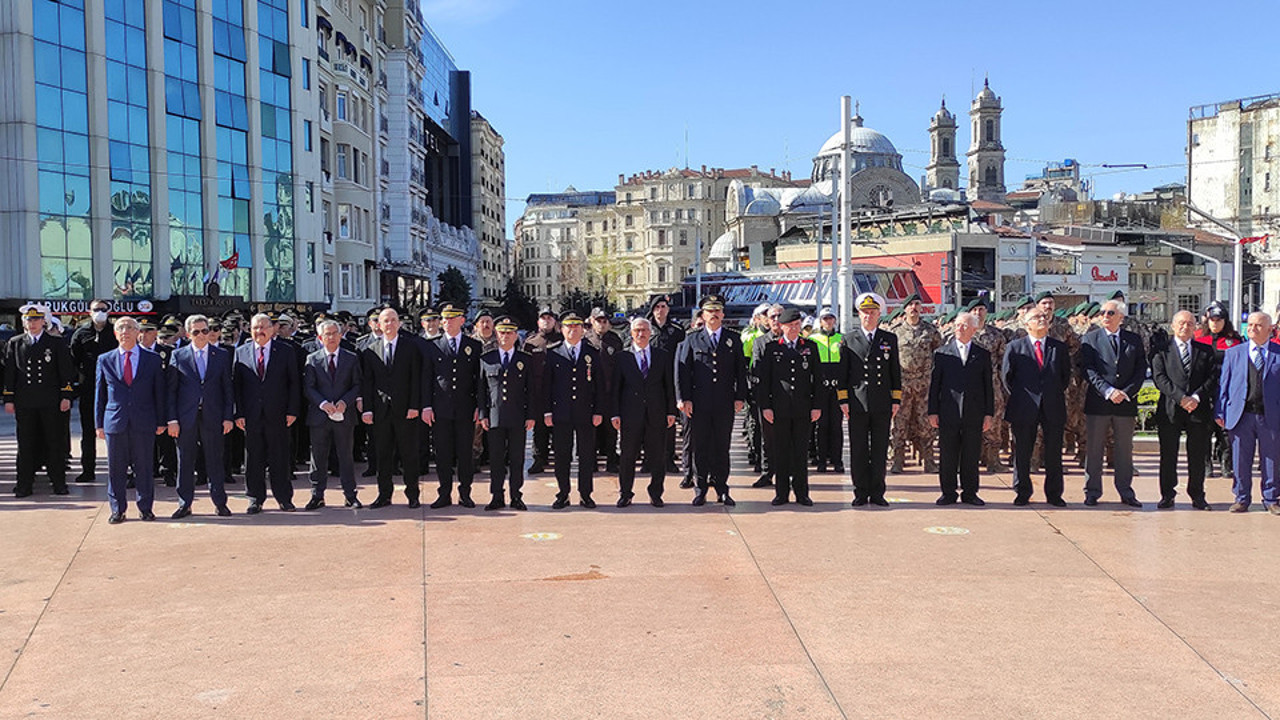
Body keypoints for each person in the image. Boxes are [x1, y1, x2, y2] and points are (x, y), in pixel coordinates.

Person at [676, 295, 748, 507]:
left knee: (721, 447)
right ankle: (700, 489)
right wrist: (684, 398)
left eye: (717, 311)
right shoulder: (692, 339)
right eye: (710, 311)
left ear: (723, 314)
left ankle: (722, 489)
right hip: (699, 403)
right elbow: (682, 371)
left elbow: (740, 371)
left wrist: (740, 396)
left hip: (724, 402)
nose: (714, 315)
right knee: (701, 447)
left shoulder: (732, 338)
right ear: (703, 315)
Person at [95, 317, 166, 523]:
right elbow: (100, 394)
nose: (125, 331)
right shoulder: (105, 359)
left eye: (129, 328)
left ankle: (145, 508)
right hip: (115, 421)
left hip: (143, 420)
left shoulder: (151, 359)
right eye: (120, 328)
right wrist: (98, 423)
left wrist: (161, 421)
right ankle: (117, 509)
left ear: (138, 333)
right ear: (116, 334)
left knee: (144, 467)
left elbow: (158, 393)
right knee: (116, 469)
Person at [1079, 300, 1146, 507]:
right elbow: (1088, 369)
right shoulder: (1090, 339)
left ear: (1121, 317)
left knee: (1124, 450)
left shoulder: (1133, 340)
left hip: (1125, 404)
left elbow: (1140, 370)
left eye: (1110, 313)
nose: (1105, 316)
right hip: (1099, 402)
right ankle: (1092, 491)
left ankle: (1126, 491)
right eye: (1102, 313)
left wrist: (1125, 393)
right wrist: (1108, 391)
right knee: (1095, 449)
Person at [167, 314, 235, 518]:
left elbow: (227, 389)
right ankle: (184, 503)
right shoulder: (178, 356)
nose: (202, 335)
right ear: (188, 334)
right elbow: (171, 391)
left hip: (213, 416)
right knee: (185, 461)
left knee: (215, 460)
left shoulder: (221, 355)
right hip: (185, 417)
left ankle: (220, 502)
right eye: (196, 332)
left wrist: (228, 416)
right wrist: (172, 420)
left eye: (205, 331)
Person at [1002, 308, 1071, 506]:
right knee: (1023, 452)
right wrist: (1024, 396)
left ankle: (1054, 493)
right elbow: (1007, 378)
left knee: (1054, 453)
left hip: (1053, 406)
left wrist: (1050, 393)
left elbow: (1065, 377)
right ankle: (1022, 492)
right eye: (1036, 317)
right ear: (1026, 324)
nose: (1042, 319)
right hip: (1024, 406)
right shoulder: (1015, 347)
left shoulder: (1059, 347)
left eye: (1044, 317)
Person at [5, 304, 76, 497]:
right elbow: (10, 373)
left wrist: (66, 395)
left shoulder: (56, 343)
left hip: (50, 401)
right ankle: (24, 485)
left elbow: (66, 372)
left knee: (54, 443)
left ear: (43, 321)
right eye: (29, 320)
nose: (32, 323)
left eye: (36, 319)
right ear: (24, 322)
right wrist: (8, 398)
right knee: (26, 444)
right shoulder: (15, 342)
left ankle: (59, 483)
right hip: (25, 402)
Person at [233, 313, 300, 514]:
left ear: (272, 329)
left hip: (278, 414)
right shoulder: (241, 352)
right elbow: (236, 386)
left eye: (263, 327)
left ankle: (284, 498)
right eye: (255, 328)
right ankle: (255, 499)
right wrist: (239, 414)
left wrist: (292, 410)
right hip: (251, 416)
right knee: (253, 459)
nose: (259, 331)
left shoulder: (286, 351)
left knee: (279, 457)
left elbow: (293, 383)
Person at [757, 307, 824, 506]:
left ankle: (802, 493)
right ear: (782, 327)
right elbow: (764, 381)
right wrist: (766, 406)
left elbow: (818, 379)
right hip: (779, 408)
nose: (794, 329)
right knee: (781, 452)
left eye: (797, 325)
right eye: (790, 326)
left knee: (800, 452)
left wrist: (817, 406)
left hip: (803, 408)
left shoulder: (809, 347)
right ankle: (781, 493)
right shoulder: (772, 348)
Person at [1151, 311, 1216, 510]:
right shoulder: (1160, 350)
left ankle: (1197, 494)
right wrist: (1181, 398)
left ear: (1195, 327)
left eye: (1189, 323)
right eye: (1180, 323)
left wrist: (1195, 397)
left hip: (1198, 409)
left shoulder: (1205, 351)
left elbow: (1212, 378)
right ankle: (1167, 494)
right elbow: (1159, 378)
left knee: (1197, 454)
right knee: (1168, 454)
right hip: (1171, 409)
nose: (1184, 327)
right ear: (1172, 326)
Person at [840, 292, 900, 507]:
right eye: (865, 312)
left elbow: (894, 371)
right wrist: (843, 401)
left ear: (879, 314)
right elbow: (843, 374)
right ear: (859, 314)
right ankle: (860, 491)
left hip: (882, 402)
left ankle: (877, 491)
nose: (868, 316)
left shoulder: (889, 339)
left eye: (873, 312)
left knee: (879, 448)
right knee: (859, 449)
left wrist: (896, 400)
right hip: (857, 402)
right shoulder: (848, 339)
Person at [927, 311, 994, 506]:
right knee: (948, 454)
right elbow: (935, 386)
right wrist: (933, 411)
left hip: (974, 411)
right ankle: (948, 492)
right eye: (957, 325)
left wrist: (988, 413)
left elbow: (987, 386)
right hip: (948, 411)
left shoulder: (982, 354)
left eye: (964, 325)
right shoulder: (942, 353)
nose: (959, 328)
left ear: (974, 329)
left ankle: (970, 492)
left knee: (971, 454)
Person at [1216, 312, 1280, 514]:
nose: (1252, 328)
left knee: (1271, 459)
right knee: (1241, 459)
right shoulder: (1234, 353)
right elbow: (1223, 386)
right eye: (1250, 324)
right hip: (1241, 415)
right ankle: (1241, 498)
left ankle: (1271, 498)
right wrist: (1220, 411)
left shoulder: (1278, 353)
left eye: (1258, 325)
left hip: (1270, 415)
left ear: (1270, 329)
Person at [421, 303, 483, 509]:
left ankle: (465, 493)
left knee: (465, 453)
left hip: (465, 408)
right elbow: (427, 379)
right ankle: (444, 493)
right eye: (444, 319)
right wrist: (426, 406)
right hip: (441, 409)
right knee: (443, 453)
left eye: (452, 318)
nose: (446, 322)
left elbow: (479, 380)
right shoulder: (433, 345)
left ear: (462, 320)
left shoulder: (473, 346)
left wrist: (479, 406)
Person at [611, 317, 676, 508]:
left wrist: (671, 411)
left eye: (644, 330)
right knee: (627, 456)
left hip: (656, 414)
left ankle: (656, 493)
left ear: (650, 333)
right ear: (631, 333)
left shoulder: (662, 356)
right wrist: (615, 413)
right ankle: (625, 493)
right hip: (630, 415)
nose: (641, 334)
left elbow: (669, 386)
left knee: (657, 456)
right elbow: (616, 388)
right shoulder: (622, 357)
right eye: (637, 330)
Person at [361, 308, 422, 508]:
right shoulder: (370, 350)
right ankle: (384, 495)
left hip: (405, 410)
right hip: (381, 412)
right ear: (378, 324)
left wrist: (414, 406)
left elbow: (416, 379)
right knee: (383, 455)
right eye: (385, 321)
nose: (389, 324)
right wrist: (367, 409)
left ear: (399, 324)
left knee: (409, 454)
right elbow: (367, 382)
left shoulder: (410, 347)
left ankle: (413, 494)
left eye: (393, 320)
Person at [543, 312, 605, 508]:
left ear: (583, 329)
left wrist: (599, 411)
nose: (573, 330)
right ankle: (563, 494)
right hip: (560, 412)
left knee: (586, 456)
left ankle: (586, 494)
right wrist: (547, 412)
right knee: (562, 456)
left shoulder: (592, 352)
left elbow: (600, 385)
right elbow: (546, 386)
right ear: (562, 330)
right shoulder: (553, 353)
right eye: (569, 327)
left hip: (585, 412)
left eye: (577, 326)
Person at [303, 319, 363, 510]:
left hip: (344, 416)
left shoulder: (351, 358)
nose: (331, 337)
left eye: (334, 333)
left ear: (340, 335)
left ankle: (350, 495)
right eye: (326, 334)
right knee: (318, 458)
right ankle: (317, 495)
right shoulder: (312, 359)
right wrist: (322, 403)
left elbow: (357, 385)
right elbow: (308, 387)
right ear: (320, 338)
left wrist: (345, 402)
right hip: (320, 417)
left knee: (345, 456)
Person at [478, 317, 535, 510]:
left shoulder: (525, 359)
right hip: (495, 416)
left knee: (517, 458)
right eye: (502, 332)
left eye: (509, 332)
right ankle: (496, 496)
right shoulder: (487, 358)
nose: (505, 336)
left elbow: (531, 390)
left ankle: (516, 496)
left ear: (515, 335)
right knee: (495, 459)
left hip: (518, 416)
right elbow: (482, 390)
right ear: (496, 334)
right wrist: (483, 414)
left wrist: (531, 415)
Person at [890, 293, 942, 474]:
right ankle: (898, 460)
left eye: (917, 304)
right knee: (899, 423)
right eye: (910, 304)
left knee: (926, 423)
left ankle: (929, 460)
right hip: (903, 385)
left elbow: (938, 352)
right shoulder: (895, 332)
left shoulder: (930, 331)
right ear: (904, 309)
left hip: (924, 385)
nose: (914, 307)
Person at [69, 299, 117, 483]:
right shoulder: (81, 333)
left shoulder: (115, 333)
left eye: (103, 309)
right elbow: (73, 361)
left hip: (112, 388)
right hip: (89, 388)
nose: (100, 312)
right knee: (88, 431)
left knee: (117, 431)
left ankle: (121, 470)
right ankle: (88, 470)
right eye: (96, 309)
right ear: (89, 312)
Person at [1195, 302, 1243, 479]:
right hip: (1204, 391)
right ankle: (1207, 464)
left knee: (1226, 430)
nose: (1215, 323)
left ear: (1225, 321)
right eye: (1212, 320)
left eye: (1219, 320)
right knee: (1204, 430)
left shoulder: (1234, 339)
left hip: (1227, 391)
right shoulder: (1198, 338)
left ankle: (1226, 464)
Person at [522, 307, 562, 474]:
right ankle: (539, 459)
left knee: (560, 429)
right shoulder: (531, 342)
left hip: (559, 392)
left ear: (555, 321)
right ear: (538, 321)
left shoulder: (562, 339)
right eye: (543, 318)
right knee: (539, 429)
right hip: (538, 392)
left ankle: (560, 460)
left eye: (550, 317)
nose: (547, 320)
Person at [586, 307, 623, 473]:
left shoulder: (615, 340)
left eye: (604, 321)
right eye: (598, 321)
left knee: (611, 428)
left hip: (610, 390)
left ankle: (611, 460)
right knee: (591, 429)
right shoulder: (585, 340)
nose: (601, 324)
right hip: (590, 392)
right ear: (592, 321)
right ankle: (591, 461)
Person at [809, 308, 845, 473]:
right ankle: (822, 460)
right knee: (821, 425)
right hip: (820, 387)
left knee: (836, 425)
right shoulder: (813, 339)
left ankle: (837, 460)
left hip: (837, 386)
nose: (828, 322)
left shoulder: (841, 339)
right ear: (820, 321)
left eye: (831, 319)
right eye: (825, 319)